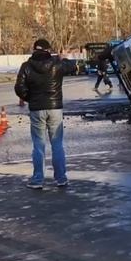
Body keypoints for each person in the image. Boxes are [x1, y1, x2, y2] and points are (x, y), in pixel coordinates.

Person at [15, 39, 76, 189]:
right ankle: (61, 178)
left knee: (38, 145)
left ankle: (37, 180)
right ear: (48, 50)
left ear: (34, 49)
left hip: (36, 109)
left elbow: (19, 88)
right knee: (57, 144)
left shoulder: (26, 66)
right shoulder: (56, 64)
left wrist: (30, 98)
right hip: (55, 108)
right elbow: (73, 66)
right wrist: (64, 58)